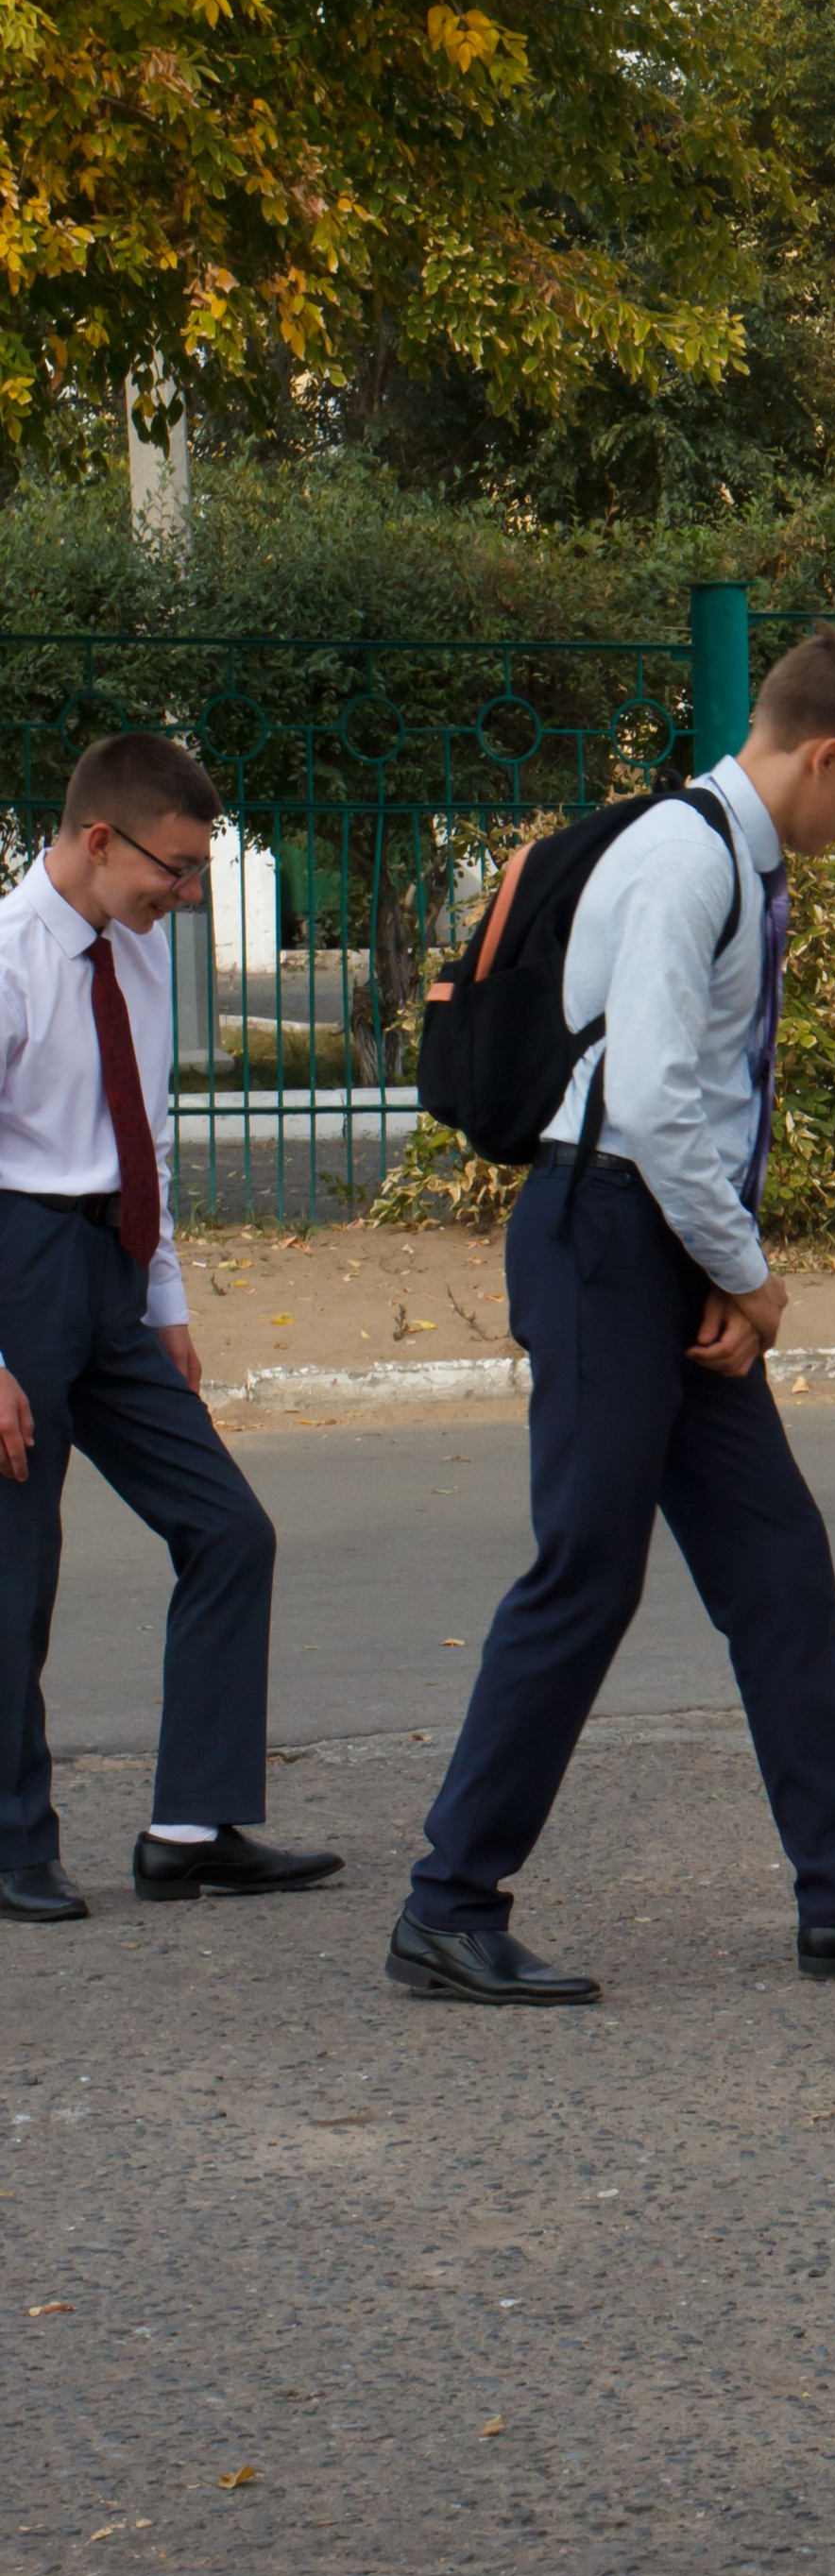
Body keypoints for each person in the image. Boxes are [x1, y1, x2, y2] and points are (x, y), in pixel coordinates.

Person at [390, 624, 835, 2005]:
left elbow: (697, 1101)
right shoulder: (686, 859)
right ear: (824, 755)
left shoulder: (741, 859)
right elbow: (657, 1097)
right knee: (586, 1574)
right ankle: (447, 1905)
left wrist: (715, 1268)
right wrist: (741, 1271)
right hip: (605, 1232)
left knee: (777, 1566)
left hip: (658, 1240)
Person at [0, 732, 341, 1923]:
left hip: (112, 1273)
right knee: (14, 1568)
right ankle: (12, 1843)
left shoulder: (135, 954)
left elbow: (142, 1136)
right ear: (100, 839)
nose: (186, 893)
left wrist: (166, 1302)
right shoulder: (8, 955)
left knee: (229, 1529)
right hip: (19, 1270)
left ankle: (191, 1830)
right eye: (176, 867)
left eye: (197, 870)